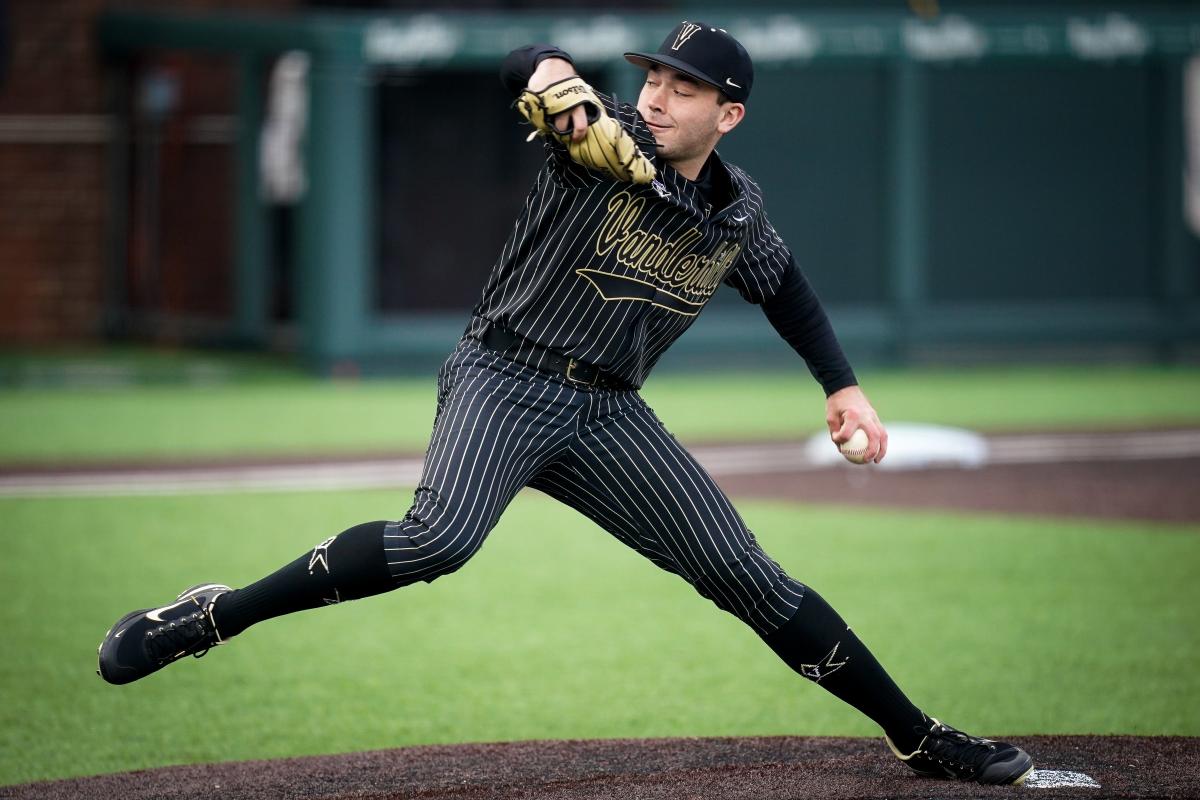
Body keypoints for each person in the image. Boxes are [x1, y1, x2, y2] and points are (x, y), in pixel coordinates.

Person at [97, 21, 1034, 786]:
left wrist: (843, 387)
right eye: (655, 78)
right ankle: (216, 615)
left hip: (607, 412)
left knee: (749, 577)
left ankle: (919, 736)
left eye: (683, 88)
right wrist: (548, 69)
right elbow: (524, 67)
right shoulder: (600, 140)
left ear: (729, 113)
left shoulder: (737, 210)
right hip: (505, 376)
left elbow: (782, 285)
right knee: (438, 542)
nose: (659, 96)